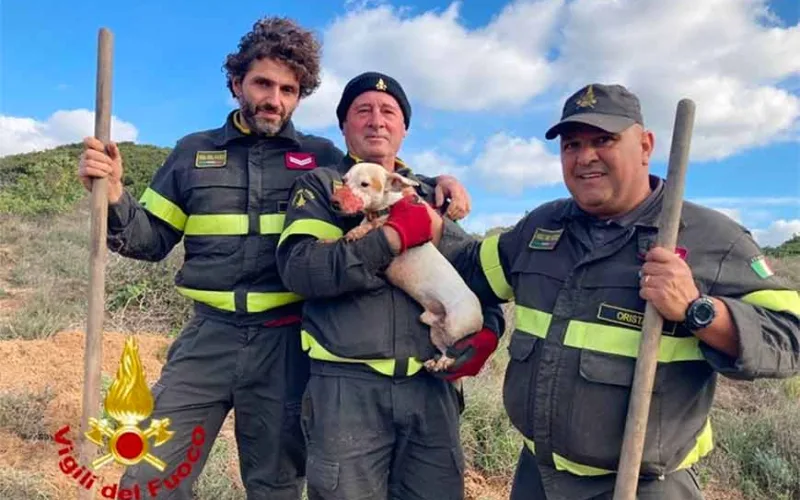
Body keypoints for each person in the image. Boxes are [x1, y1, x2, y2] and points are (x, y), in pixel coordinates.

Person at [76, 18, 469, 499]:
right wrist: (115, 194)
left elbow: (376, 175)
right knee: (151, 477)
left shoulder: (320, 155)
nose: (274, 99)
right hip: (208, 336)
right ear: (237, 83)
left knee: (276, 485)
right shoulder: (193, 152)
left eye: (289, 89)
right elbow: (149, 240)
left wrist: (438, 181)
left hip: (286, 343)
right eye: (263, 83)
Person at [425, 83, 800, 499]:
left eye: (604, 140)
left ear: (645, 146)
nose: (585, 157)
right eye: (572, 145)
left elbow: (790, 336)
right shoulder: (541, 229)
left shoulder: (713, 238)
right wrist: (420, 206)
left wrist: (697, 309)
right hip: (537, 477)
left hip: (641, 486)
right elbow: (472, 266)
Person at [275, 71, 505, 500]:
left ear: (403, 128)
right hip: (347, 391)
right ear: (343, 126)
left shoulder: (432, 194)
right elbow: (303, 270)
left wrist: (489, 327)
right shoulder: (322, 187)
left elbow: (468, 272)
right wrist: (391, 238)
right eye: (363, 111)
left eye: (389, 112)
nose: (377, 120)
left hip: (431, 392)